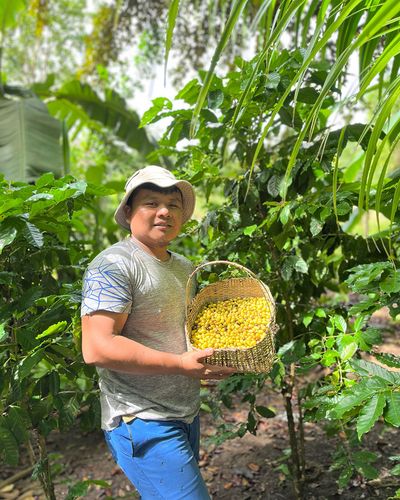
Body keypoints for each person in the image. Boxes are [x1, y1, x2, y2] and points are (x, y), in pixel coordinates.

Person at [81, 165, 235, 499]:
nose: (164, 211)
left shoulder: (181, 266)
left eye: (173, 204)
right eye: (151, 202)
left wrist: (204, 364)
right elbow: (96, 347)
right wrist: (180, 364)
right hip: (142, 419)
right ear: (128, 211)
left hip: (183, 411)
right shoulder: (113, 266)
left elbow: (179, 335)